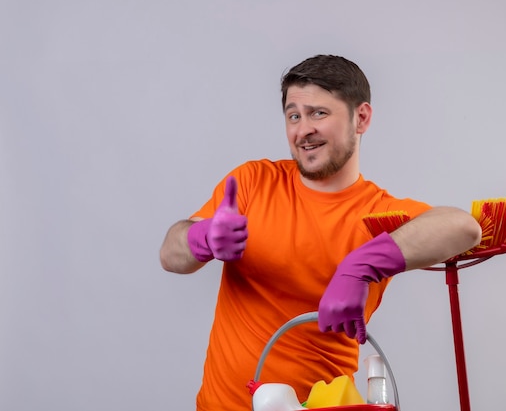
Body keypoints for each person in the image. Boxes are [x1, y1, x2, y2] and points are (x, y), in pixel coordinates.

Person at [159, 54, 482, 411]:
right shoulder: (253, 183)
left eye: (319, 113)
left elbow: (464, 227)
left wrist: (363, 264)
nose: (303, 129)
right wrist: (201, 238)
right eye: (293, 115)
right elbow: (170, 255)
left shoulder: (378, 213)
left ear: (361, 118)